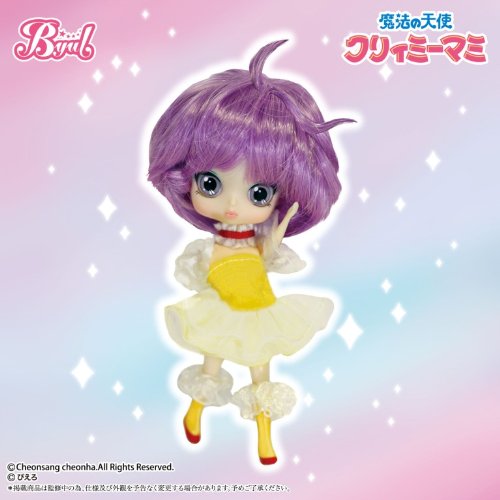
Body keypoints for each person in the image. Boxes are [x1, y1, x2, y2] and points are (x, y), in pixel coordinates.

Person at [148, 40, 353, 465]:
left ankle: (264, 437)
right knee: (211, 364)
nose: (232, 205)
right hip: (222, 307)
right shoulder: (210, 247)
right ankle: (194, 411)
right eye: (210, 184)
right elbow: (208, 271)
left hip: (259, 310)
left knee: (261, 375)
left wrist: (278, 230)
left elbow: (268, 252)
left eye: (258, 192)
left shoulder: (259, 241)